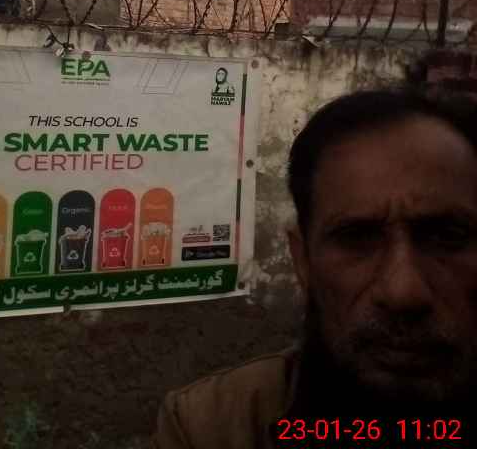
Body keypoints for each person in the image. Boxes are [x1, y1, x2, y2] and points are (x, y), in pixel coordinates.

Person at [152, 88, 477, 448]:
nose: (404, 291)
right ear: (302, 260)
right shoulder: (212, 427)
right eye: (357, 238)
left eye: (446, 237)